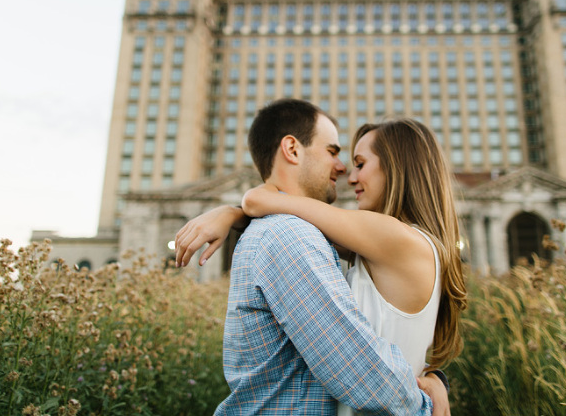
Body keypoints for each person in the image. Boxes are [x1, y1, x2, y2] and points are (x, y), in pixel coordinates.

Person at [183, 99, 447, 414]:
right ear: (292, 150)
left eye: (358, 163)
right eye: (333, 152)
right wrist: (426, 404)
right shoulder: (289, 235)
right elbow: (356, 366)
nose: (346, 172)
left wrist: (236, 210)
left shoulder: (385, 238)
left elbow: (258, 200)